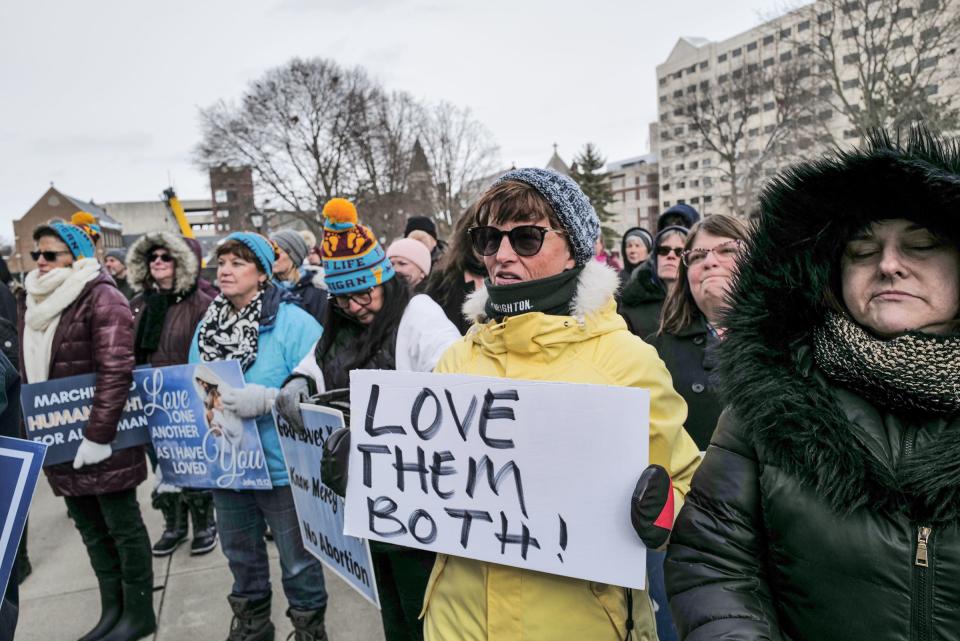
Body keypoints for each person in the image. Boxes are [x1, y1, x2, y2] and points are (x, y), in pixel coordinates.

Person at [664, 129, 960, 640]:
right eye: (863, 249)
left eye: (922, 244)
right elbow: (714, 562)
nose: (889, 264)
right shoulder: (767, 399)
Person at [419, 168, 701, 641]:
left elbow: (690, 498)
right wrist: (366, 473)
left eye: (526, 238)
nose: (502, 255)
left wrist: (661, 513)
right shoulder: (458, 356)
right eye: (489, 239)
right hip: (455, 624)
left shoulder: (625, 361)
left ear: (574, 246)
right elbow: (428, 485)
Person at [277, 198, 460, 641]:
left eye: (365, 294)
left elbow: (455, 372)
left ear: (384, 280)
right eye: (344, 298)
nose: (356, 306)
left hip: (419, 492)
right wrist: (299, 378)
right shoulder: (342, 323)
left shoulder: (418, 314)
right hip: (364, 491)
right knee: (391, 602)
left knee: (425, 607)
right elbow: (318, 358)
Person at [20, 216, 154, 641]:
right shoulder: (34, 302)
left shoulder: (101, 297)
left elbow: (116, 370)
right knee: (92, 532)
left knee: (122, 527)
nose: (40, 262)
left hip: (103, 440)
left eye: (51, 255)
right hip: (60, 440)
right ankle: (111, 609)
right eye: (36, 254)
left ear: (75, 257)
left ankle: (138, 613)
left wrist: (97, 436)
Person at [188, 232, 327, 641]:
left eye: (238, 262)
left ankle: (308, 630)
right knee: (240, 556)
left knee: (297, 561)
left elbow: (321, 386)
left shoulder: (293, 321)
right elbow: (194, 382)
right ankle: (252, 627)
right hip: (229, 465)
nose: (225, 270)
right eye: (222, 262)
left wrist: (269, 400)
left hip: (281, 468)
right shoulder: (208, 324)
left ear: (263, 273)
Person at [127, 231, 218, 557]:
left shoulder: (203, 304)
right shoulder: (138, 305)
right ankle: (174, 525)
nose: (158, 262)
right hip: (151, 402)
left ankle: (204, 523)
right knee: (162, 467)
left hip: (189, 400)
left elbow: (212, 358)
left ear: (182, 261)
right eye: (153, 257)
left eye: (166, 257)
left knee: (195, 465)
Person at [651, 214, 750, 451]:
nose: (710, 261)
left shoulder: (794, 340)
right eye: (697, 256)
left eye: (727, 251)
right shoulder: (654, 352)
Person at [422, 205, 487, 334]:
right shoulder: (441, 281)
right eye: (480, 236)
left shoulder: (510, 277)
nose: (487, 244)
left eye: (494, 236)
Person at [619, 226, 688, 338]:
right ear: (655, 257)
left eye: (679, 252)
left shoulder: (701, 305)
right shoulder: (631, 307)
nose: (670, 256)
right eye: (664, 250)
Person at [270, 229, 327, 320]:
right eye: (271, 252)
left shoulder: (316, 292)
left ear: (294, 257)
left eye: (278, 253)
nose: (273, 257)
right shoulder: (267, 289)